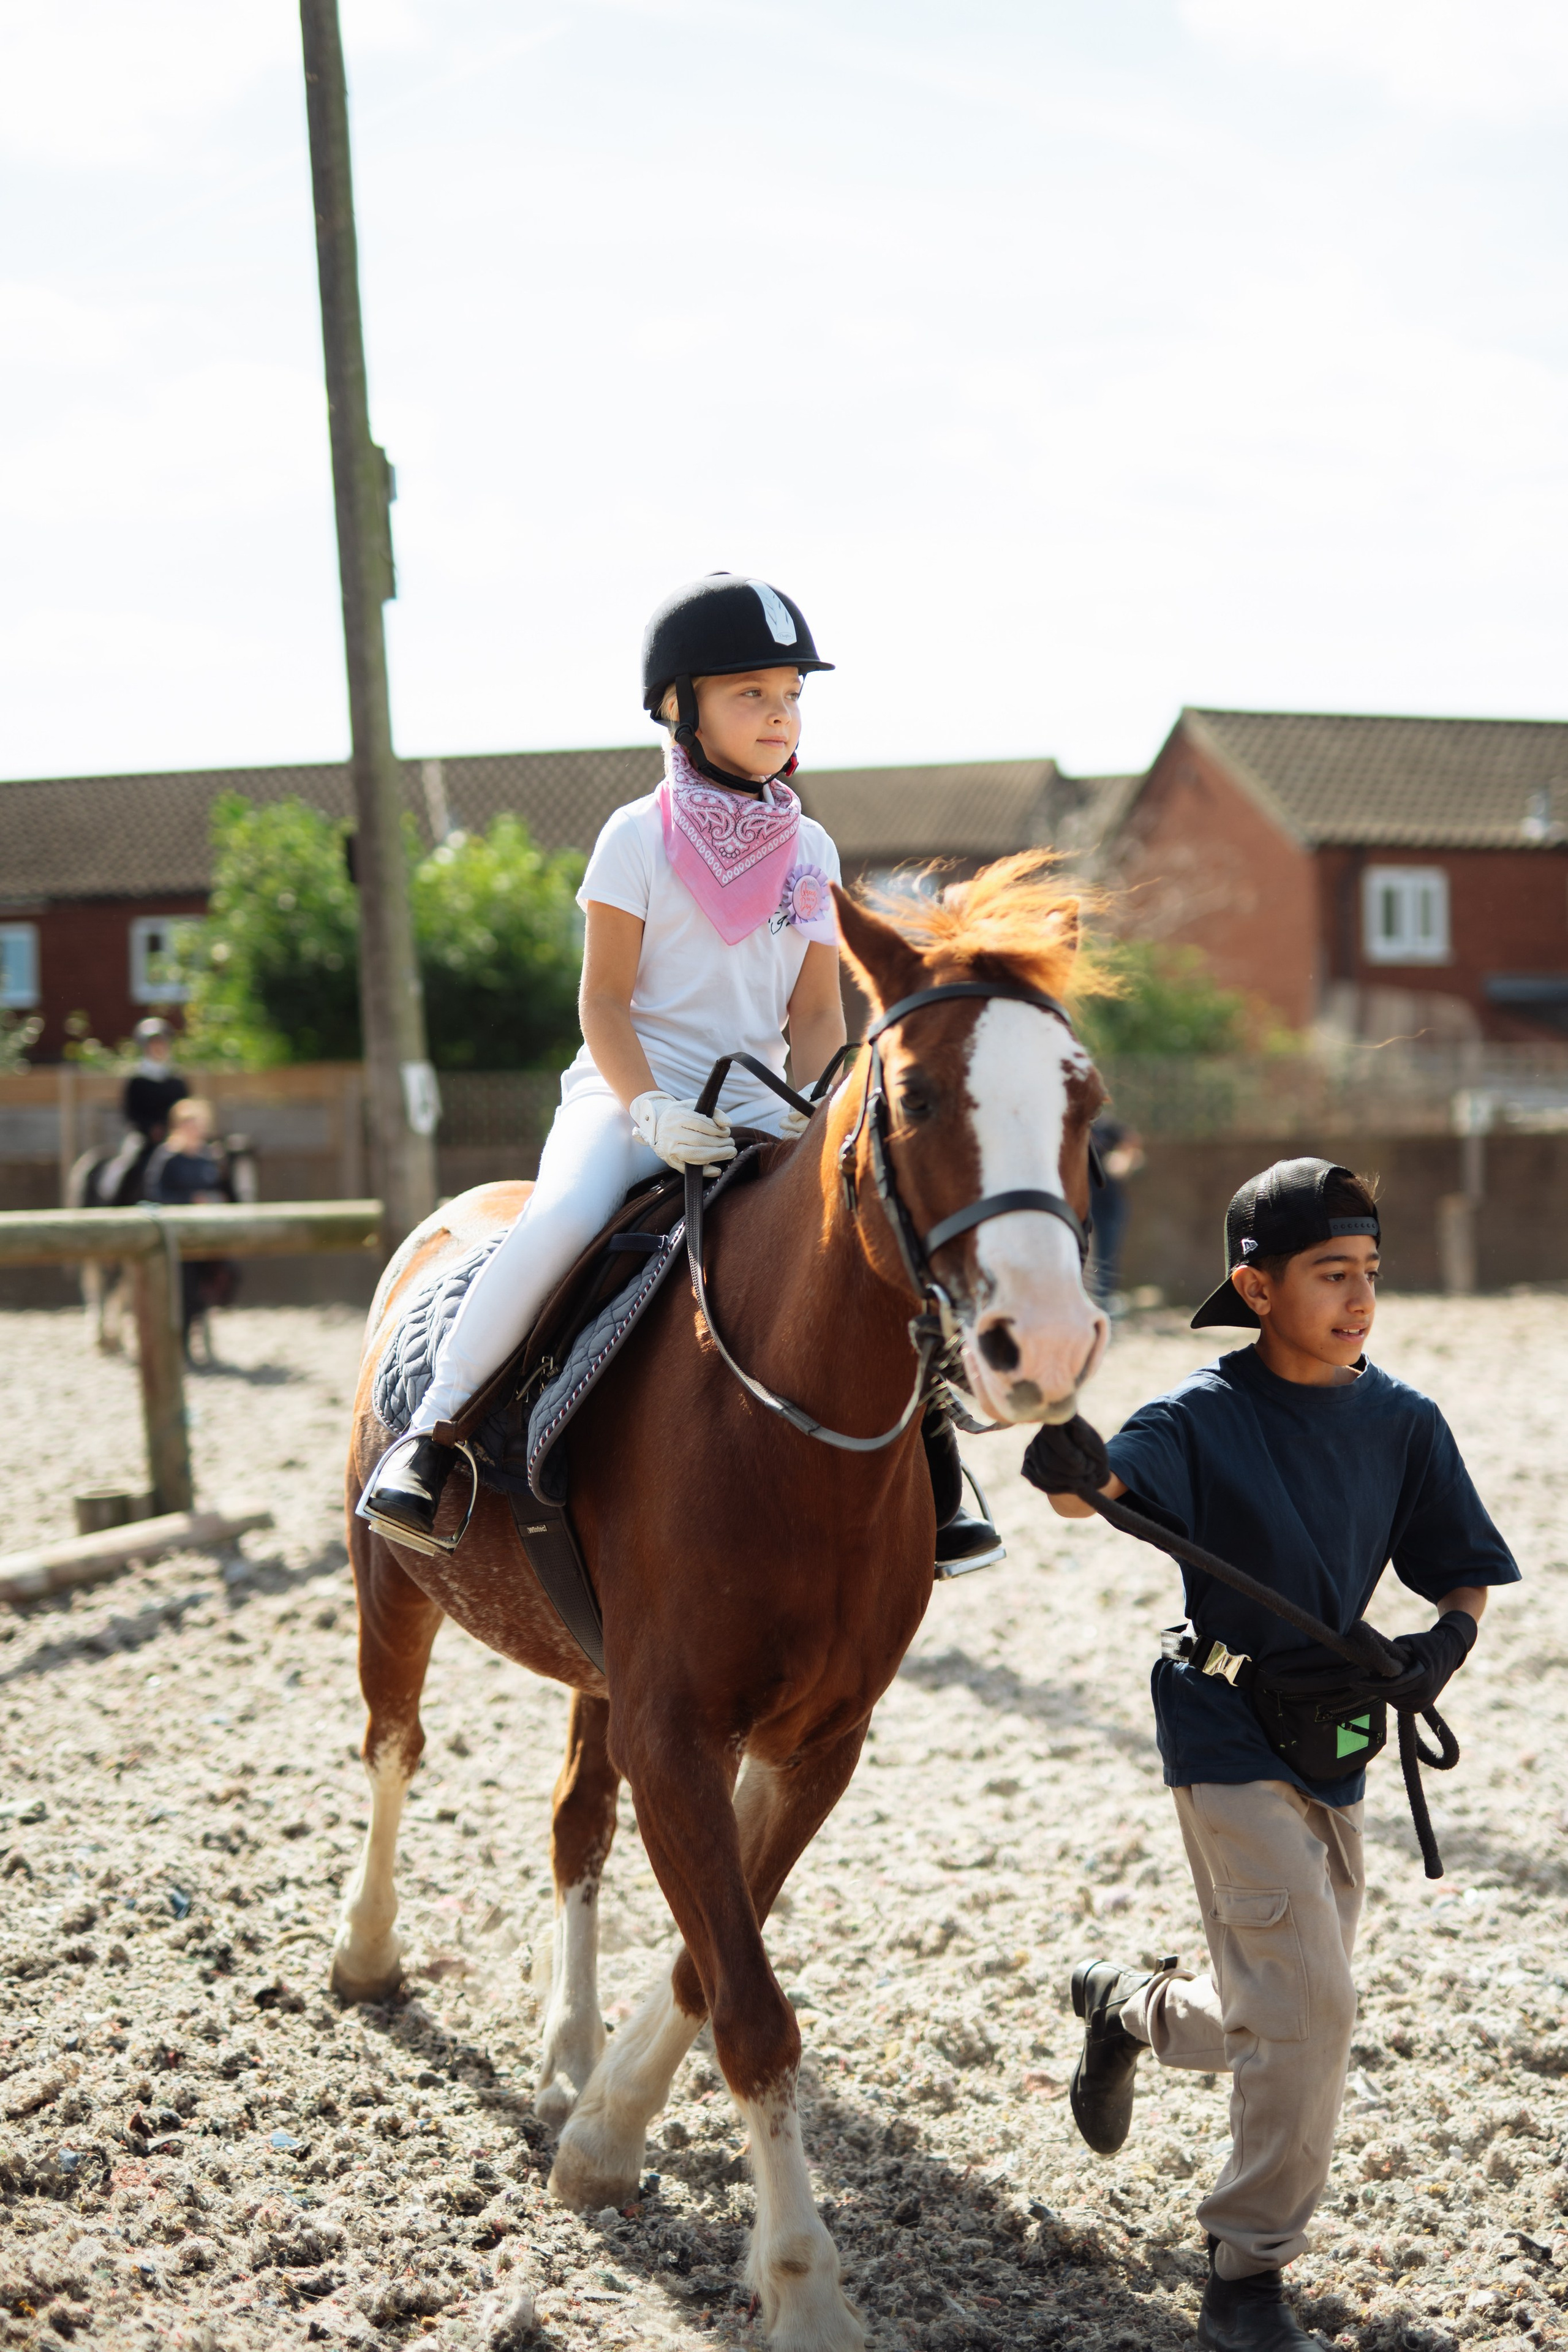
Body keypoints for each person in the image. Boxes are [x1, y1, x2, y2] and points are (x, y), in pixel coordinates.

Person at [361, 573, 1001, 1569]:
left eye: (791, 694)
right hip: (630, 1097)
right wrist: (649, 1106)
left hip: (762, 1100)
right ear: (679, 706)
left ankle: (937, 1471)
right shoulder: (635, 836)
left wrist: (812, 1114)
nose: (779, 713)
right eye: (751, 692)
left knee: (869, 1240)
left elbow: (814, 1009)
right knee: (564, 1219)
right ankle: (431, 1440)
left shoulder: (811, 845)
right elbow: (604, 1004)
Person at [1023, 1158, 1518, 2352]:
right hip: (1220, 1726)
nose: (1356, 1299)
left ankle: (1125, 2009)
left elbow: (1461, 1568)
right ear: (1253, 1285)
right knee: (1310, 2001)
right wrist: (1071, 1466)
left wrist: (1437, 1648)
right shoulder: (1202, 1413)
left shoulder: (1401, 1420)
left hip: (1335, 1737)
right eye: (1327, 1275)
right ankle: (1243, 2269)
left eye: (1367, 1275)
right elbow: (1100, 1490)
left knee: (1270, 2010)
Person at [143, 1098, 239, 1353]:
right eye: (191, 1124)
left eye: (199, 1124)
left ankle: (205, 1342)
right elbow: (154, 1195)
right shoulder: (168, 1158)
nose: (196, 1129)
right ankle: (181, 1349)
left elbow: (226, 1193)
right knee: (183, 1293)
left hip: (208, 1238)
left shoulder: (210, 1159)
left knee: (214, 1284)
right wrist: (189, 1200)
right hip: (179, 1239)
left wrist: (214, 1200)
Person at [94, 1017, 189, 1206]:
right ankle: (116, 1202)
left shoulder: (177, 1080)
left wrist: (172, 1129)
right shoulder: (136, 1080)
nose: (158, 1048)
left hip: (173, 1136)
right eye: (154, 1044)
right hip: (144, 1137)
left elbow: (184, 1109)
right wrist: (150, 1128)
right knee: (129, 1165)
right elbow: (130, 1113)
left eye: (162, 1043)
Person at [1088, 1114, 1143, 1308]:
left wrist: (1125, 1160)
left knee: (1107, 1256)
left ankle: (1103, 1304)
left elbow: (1132, 1144)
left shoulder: (1106, 1127)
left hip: (1109, 1203)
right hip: (1081, 1205)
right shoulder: (1068, 1124)